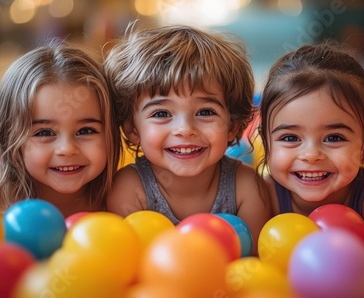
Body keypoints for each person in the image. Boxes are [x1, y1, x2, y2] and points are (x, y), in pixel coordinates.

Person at [104, 25, 271, 254]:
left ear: (232, 126)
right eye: (161, 114)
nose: (185, 129)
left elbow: (254, 263)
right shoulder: (129, 190)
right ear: (133, 128)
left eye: (205, 112)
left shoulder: (247, 187)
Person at [258, 42, 364, 224]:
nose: (311, 155)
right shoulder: (261, 197)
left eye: (334, 138)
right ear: (265, 143)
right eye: (290, 138)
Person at [0, 41, 121, 217]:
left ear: (112, 132)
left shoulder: (125, 201)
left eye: (86, 131)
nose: (67, 149)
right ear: (9, 138)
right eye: (44, 133)